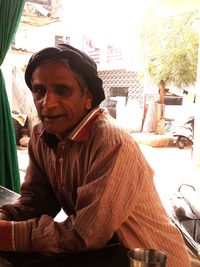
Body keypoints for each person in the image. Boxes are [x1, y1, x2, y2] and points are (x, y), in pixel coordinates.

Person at [0, 44, 190, 267]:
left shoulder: (111, 142)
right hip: (103, 252)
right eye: (39, 91)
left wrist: (9, 235)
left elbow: (85, 234)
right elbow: (37, 201)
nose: (47, 103)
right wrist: (5, 216)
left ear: (87, 97)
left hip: (148, 258)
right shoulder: (41, 136)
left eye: (62, 90)